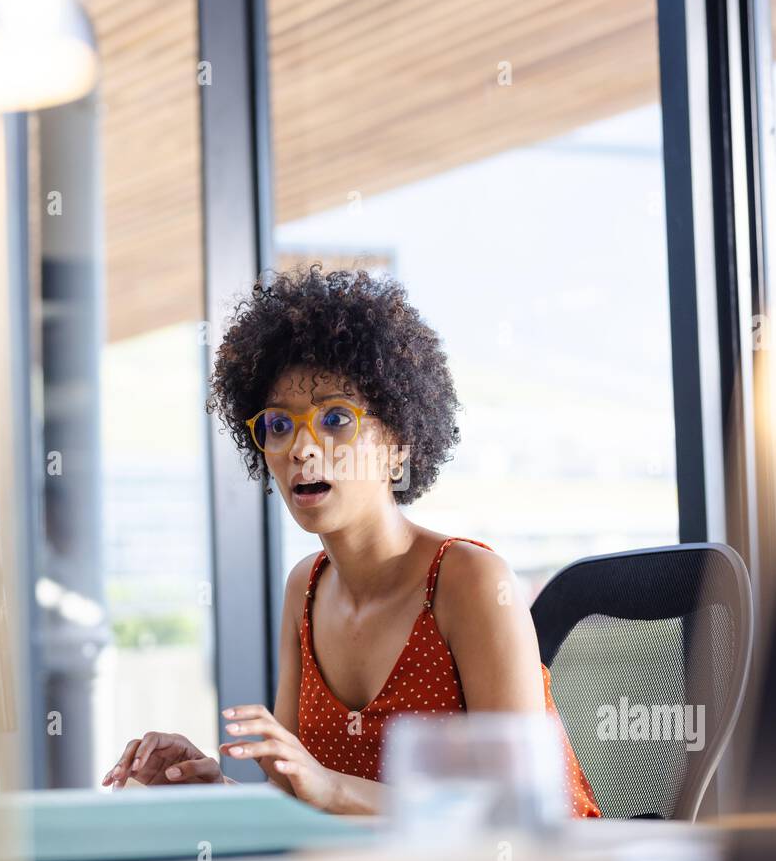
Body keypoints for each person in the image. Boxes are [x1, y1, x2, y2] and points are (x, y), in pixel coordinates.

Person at [103, 267, 600, 818]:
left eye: (336, 418)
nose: (301, 448)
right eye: (278, 425)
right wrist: (211, 791)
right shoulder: (306, 589)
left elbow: (515, 809)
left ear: (398, 445)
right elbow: (298, 800)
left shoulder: (471, 581)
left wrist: (330, 786)